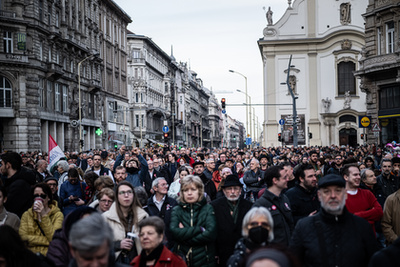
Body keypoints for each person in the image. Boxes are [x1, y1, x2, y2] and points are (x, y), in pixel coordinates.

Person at [290, 174, 379, 267]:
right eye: (327, 191)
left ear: (345, 194)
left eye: (338, 191)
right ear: (319, 196)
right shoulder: (304, 227)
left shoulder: (362, 227)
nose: (333, 196)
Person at [170, 175, 217, 267]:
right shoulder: (177, 210)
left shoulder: (208, 209)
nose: (189, 193)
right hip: (182, 260)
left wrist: (183, 236)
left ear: (199, 191)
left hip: (205, 260)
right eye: (186, 190)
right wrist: (199, 229)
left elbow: (211, 234)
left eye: (193, 189)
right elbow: (174, 232)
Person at [210, 174, 252, 267]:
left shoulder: (249, 206)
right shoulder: (214, 206)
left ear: (240, 191)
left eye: (236, 188)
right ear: (224, 191)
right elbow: (212, 231)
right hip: (222, 252)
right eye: (229, 189)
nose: (232, 191)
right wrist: (215, 253)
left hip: (243, 253)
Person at [103, 181, 149, 264]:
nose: (126, 195)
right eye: (122, 193)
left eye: (129, 192)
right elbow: (97, 244)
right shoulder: (106, 218)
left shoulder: (143, 216)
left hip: (137, 261)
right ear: (117, 196)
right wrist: (117, 244)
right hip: (114, 261)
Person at [19, 183, 64, 255]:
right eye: (36, 196)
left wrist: (43, 215)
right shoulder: (27, 215)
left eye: (43, 196)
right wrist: (47, 241)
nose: (39, 198)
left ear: (48, 197)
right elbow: (23, 237)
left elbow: (54, 238)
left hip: (49, 255)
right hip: (31, 255)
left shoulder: (57, 215)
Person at [253, 165, 293, 246]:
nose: (287, 180)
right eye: (284, 177)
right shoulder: (260, 205)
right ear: (275, 180)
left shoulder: (285, 198)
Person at [342, 163, 383, 233]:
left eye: (359, 175)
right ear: (346, 177)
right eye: (355, 175)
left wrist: (357, 215)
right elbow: (344, 222)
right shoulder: (339, 197)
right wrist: (370, 217)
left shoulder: (367, 194)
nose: (358, 177)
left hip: (369, 239)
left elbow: (379, 212)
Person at [145, 177, 177, 249]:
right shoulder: (148, 204)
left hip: (170, 243)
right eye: (163, 185)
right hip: (153, 243)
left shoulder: (173, 202)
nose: (166, 186)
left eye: (166, 184)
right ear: (155, 188)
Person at [1, 152, 36, 218]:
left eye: (2, 164)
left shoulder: (19, 185)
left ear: (8, 165)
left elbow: (8, 207)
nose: (1, 167)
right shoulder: (12, 182)